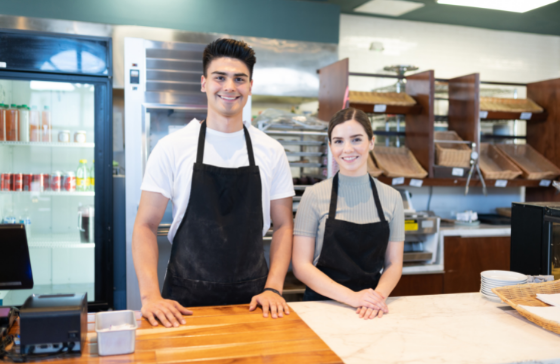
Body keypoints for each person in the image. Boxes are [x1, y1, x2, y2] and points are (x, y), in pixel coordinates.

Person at [133, 38, 295, 327]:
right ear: (204, 83)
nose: (230, 87)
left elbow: (284, 225)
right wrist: (150, 297)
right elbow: (144, 224)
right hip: (184, 304)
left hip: (254, 301)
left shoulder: (271, 150)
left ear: (250, 86)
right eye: (220, 77)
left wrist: (273, 288)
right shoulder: (173, 147)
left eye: (239, 79)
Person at [292, 107, 404, 319]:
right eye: (339, 141)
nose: (347, 149)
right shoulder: (314, 195)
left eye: (356, 139)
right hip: (322, 308)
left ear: (371, 142)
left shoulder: (392, 198)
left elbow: (394, 264)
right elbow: (301, 265)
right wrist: (353, 298)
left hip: (371, 311)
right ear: (330, 146)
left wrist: (375, 298)